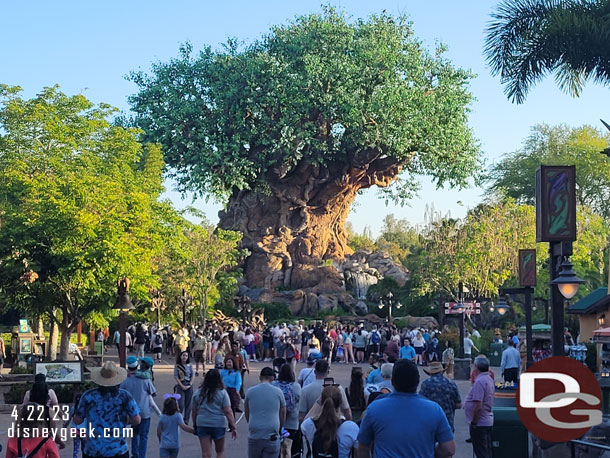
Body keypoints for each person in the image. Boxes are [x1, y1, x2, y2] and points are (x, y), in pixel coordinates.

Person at [356, 359, 455, 458]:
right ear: (417, 381)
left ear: (393, 381)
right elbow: (449, 449)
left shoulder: (374, 408)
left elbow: (363, 446)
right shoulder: (434, 410)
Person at [73, 361, 141, 458]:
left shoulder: (88, 396)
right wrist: (122, 420)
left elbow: (77, 420)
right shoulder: (125, 396)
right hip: (118, 450)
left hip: (93, 450)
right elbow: (137, 420)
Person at [301, 386, 359, 458]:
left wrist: (318, 402)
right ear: (340, 403)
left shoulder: (309, 424)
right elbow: (358, 454)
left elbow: (303, 422)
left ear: (321, 402)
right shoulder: (351, 428)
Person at [193, 369, 237, 458]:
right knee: (220, 451)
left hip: (202, 422)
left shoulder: (198, 393)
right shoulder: (222, 393)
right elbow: (228, 411)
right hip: (218, 423)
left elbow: (194, 411)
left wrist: (195, 424)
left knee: (206, 453)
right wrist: (233, 426)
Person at [120, 356, 157, 458]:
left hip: (131, 412)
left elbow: (121, 393)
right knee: (144, 436)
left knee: (134, 434)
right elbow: (153, 393)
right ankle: (142, 455)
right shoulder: (146, 379)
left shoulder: (125, 379)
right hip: (145, 411)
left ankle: (135, 454)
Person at [245, 366, 286, 458]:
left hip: (255, 431)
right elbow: (282, 412)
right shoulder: (278, 392)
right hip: (272, 432)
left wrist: (250, 422)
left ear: (260, 378)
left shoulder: (250, 392)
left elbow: (247, 411)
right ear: (273, 378)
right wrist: (280, 427)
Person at [465, 355, 495, 458]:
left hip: (480, 423)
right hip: (486, 420)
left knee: (481, 453)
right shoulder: (488, 378)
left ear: (476, 366)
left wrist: (474, 422)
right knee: (485, 451)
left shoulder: (480, 382)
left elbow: (478, 405)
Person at [419, 362, 462, 432]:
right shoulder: (451, 383)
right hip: (448, 422)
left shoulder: (426, 384)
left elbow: (420, 403)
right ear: (442, 371)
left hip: (431, 422)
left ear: (430, 373)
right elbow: (459, 405)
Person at [272, 364, 301, 458]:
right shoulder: (295, 386)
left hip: (277, 420)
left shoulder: (274, 385)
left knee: (276, 448)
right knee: (287, 447)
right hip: (291, 421)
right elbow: (298, 398)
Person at [174, 351, 194, 425]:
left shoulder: (190, 365)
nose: (185, 357)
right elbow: (176, 376)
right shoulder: (177, 366)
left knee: (188, 404)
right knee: (181, 404)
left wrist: (190, 384)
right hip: (181, 385)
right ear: (180, 356)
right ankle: (179, 418)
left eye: (186, 355)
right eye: (183, 355)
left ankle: (186, 420)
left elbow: (192, 375)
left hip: (189, 384)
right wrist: (182, 386)